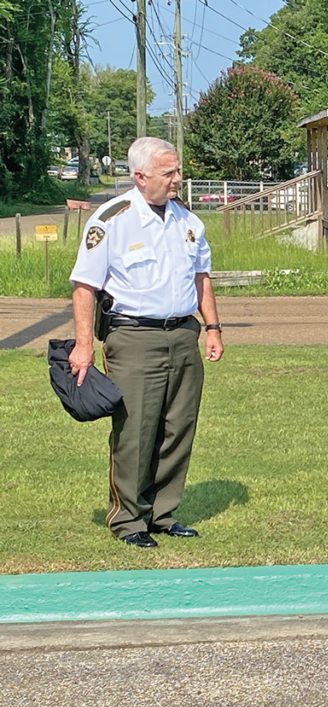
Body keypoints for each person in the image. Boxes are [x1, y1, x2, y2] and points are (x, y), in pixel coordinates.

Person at [68, 137, 224, 548]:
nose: (177, 179)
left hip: (183, 334)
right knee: (135, 429)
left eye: (177, 171)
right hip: (134, 336)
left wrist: (213, 327)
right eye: (169, 173)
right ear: (140, 177)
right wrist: (84, 344)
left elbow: (201, 278)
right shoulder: (111, 220)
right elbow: (85, 286)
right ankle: (128, 519)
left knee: (178, 426)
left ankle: (162, 512)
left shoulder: (187, 221)